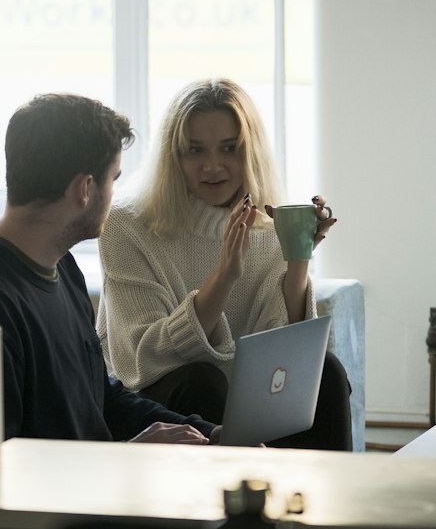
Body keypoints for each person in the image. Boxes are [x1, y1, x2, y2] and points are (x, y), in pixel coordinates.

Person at [0, 93, 219, 445]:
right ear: (84, 189)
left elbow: (101, 400)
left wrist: (212, 434)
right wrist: (131, 458)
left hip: (94, 485)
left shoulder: (61, 264)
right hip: (63, 499)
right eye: (113, 179)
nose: (114, 194)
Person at [96, 78, 353, 450]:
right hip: (159, 403)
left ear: (250, 152)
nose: (212, 166)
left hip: (246, 402)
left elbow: (284, 352)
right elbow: (142, 358)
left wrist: (298, 258)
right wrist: (225, 276)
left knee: (325, 373)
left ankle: (323, 504)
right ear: (173, 156)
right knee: (201, 380)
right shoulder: (126, 224)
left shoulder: (264, 226)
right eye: (195, 150)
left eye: (229, 149)